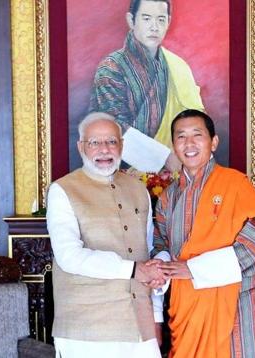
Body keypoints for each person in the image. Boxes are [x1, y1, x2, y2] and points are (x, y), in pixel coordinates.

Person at [151, 109, 255, 358]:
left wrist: (193, 269)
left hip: (236, 307)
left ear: (213, 142)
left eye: (197, 135)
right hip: (187, 308)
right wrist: (162, 265)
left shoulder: (235, 184)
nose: (188, 143)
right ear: (174, 145)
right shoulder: (168, 197)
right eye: (181, 137)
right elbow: (160, 243)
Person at [46, 112, 166, 358]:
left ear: (121, 145)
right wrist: (134, 269)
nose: (104, 149)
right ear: (81, 147)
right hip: (87, 329)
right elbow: (69, 256)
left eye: (111, 141)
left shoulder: (139, 189)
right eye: (95, 142)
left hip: (139, 327)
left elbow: (148, 253)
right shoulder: (62, 190)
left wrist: (156, 317)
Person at [89, 0, 204, 173]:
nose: (154, 27)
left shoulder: (178, 67)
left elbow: (197, 122)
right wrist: (164, 158)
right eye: (146, 18)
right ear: (131, 20)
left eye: (161, 19)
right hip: (120, 177)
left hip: (179, 170)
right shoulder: (111, 67)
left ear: (168, 22)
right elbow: (112, 127)